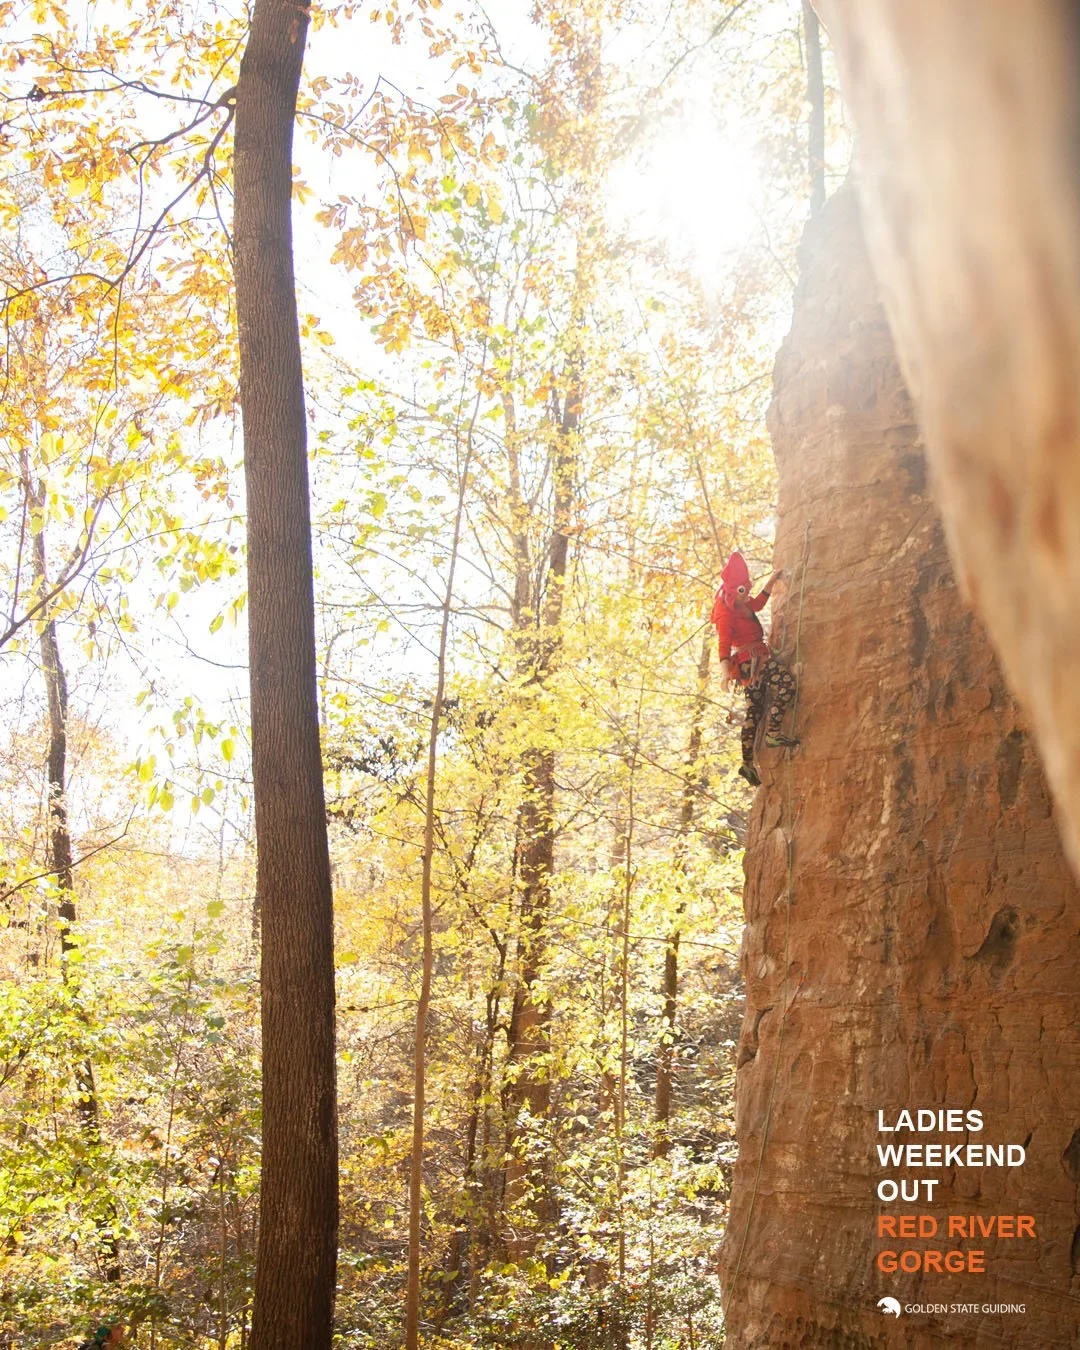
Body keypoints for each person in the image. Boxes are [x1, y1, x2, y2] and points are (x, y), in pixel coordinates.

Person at [711, 549, 798, 787]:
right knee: (787, 684)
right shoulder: (726, 613)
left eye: (746, 589)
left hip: (751, 662)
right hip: (751, 661)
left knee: (754, 709)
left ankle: (747, 764)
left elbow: (757, 605)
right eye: (742, 590)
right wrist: (725, 673)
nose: (746, 594)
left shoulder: (740, 603)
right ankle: (773, 733)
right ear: (731, 590)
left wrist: (771, 581)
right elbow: (724, 645)